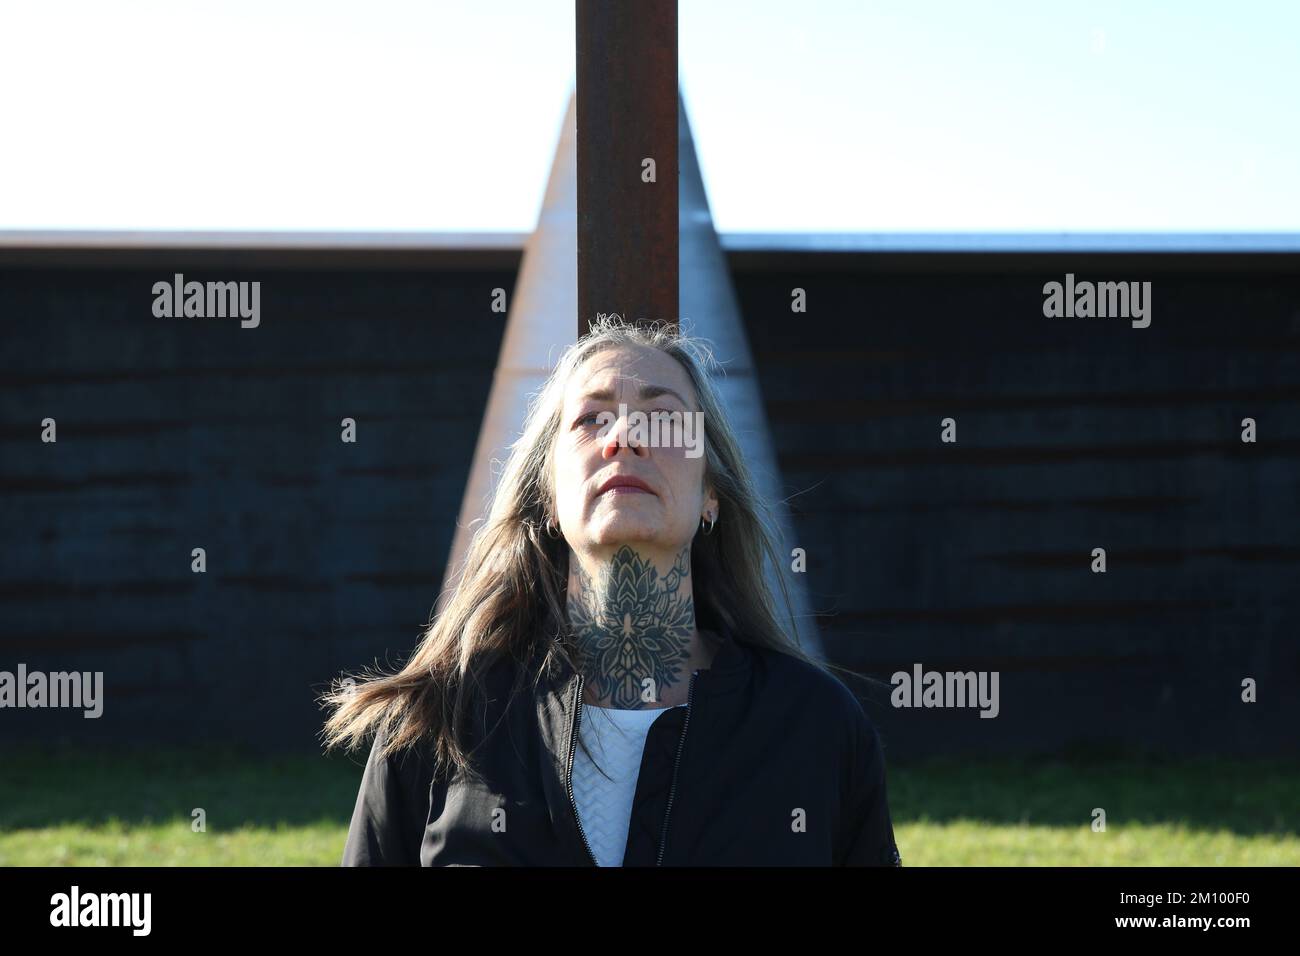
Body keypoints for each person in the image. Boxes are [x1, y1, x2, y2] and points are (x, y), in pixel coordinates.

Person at [321, 316, 901, 866]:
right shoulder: (441, 720)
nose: (624, 437)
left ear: (711, 496)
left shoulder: (816, 727)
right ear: (547, 497)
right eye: (591, 419)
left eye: (664, 418)